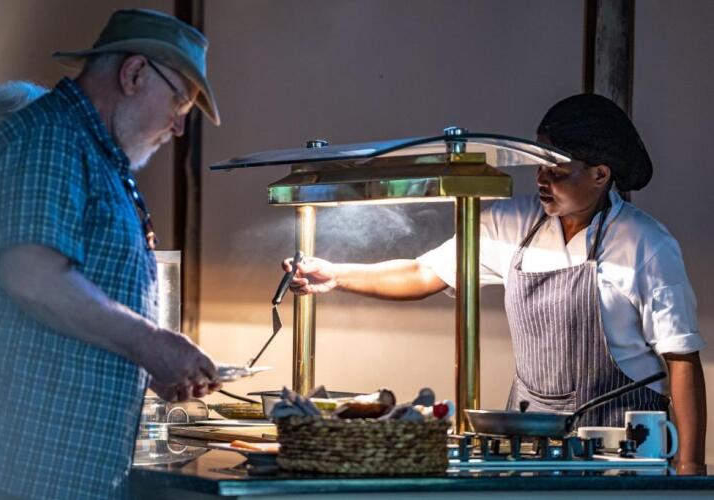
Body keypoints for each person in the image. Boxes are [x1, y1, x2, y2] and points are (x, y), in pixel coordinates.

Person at [284, 94, 707, 473]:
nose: (541, 178)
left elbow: (682, 360)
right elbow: (424, 273)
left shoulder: (645, 244)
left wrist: (689, 467)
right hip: (533, 452)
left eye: (557, 169)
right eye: (539, 164)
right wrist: (336, 274)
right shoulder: (511, 223)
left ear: (600, 174)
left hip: (622, 459)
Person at [0, 9, 223, 500]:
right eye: (180, 101)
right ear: (135, 73)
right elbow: (32, 278)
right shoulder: (50, 138)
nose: (179, 126)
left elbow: (74, 315)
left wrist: (147, 364)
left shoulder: (96, 155)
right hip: (19, 476)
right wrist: (149, 344)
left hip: (58, 475)